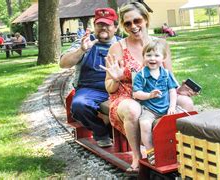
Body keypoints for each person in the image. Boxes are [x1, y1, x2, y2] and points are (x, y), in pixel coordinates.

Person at [101, 2, 196, 173]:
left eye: (137, 20)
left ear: (145, 19)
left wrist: (180, 90)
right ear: (123, 25)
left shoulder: (160, 45)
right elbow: (109, 88)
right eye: (128, 23)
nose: (133, 26)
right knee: (133, 109)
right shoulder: (117, 48)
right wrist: (115, 79)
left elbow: (168, 76)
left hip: (157, 95)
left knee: (186, 103)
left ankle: (185, 150)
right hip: (126, 96)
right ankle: (137, 156)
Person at [59, 8, 120, 148]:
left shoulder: (122, 44)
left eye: (108, 24)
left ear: (115, 27)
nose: (103, 27)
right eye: (100, 24)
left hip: (117, 88)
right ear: (94, 25)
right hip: (90, 89)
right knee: (79, 106)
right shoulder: (84, 42)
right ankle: (101, 132)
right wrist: (82, 50)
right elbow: (63, 64)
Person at [131, 39, 178, 165]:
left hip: (167, 108)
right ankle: (150, 151)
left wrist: (172, 106)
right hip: (149, 109)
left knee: (178, 123)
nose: (152, 58)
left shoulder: (167, 74)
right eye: (149, 55)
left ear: (163, 58)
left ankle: (178, 149)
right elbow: (136, 93)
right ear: (144, 57)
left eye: (156, 55)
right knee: (145, 124)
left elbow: (172, 91)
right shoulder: (141, 75)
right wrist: (149, 95)